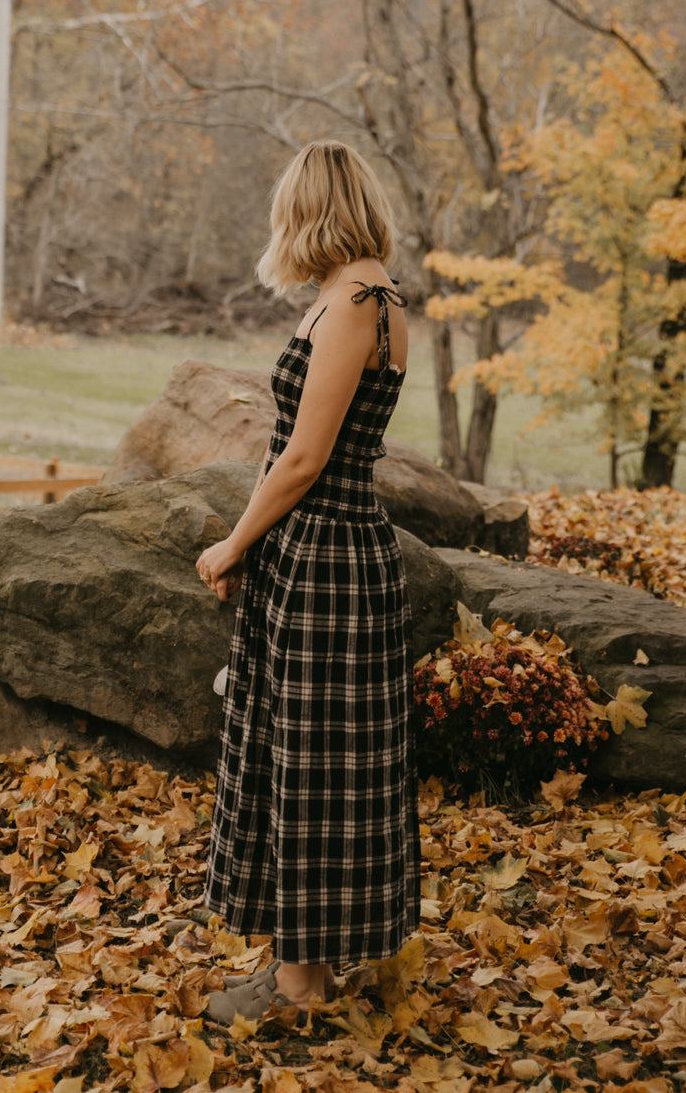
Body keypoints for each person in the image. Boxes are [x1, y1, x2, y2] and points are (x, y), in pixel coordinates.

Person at [196, 139, 420, 1023]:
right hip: (326, 548)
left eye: (287, 208)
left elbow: (303, 459)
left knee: (310, 766)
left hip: (326, 552)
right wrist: (254, 544)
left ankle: (294, 988)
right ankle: (317, 966)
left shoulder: (359, 301)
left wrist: (229, 545)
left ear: (312, 209)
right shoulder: (365, 296)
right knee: (324, 761)